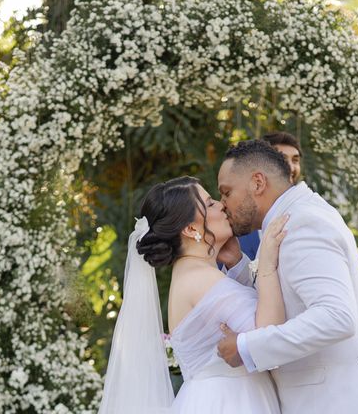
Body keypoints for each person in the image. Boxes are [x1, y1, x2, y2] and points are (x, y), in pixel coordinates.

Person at [217, 140, 358, 414]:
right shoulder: (291, 217)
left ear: (257, 183)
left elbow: (336, 317)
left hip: (338, 401)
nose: (223, 205)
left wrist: (247, 347)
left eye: (226, 192)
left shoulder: (303, 223)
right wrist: (238, 265)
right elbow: (286, 298)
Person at [98, 176, 289, 414]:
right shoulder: (201, 280)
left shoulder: (193, 274)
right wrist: (268, 265)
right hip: (229, 402)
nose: (221, 205)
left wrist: (237, 264)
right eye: (209, 204)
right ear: (190, 229)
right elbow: (269, 340)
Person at [238, 131, 303, 260]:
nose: (290, 167)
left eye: (295, 160)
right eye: (283, 159)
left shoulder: (308, 215)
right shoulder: (241, 224)